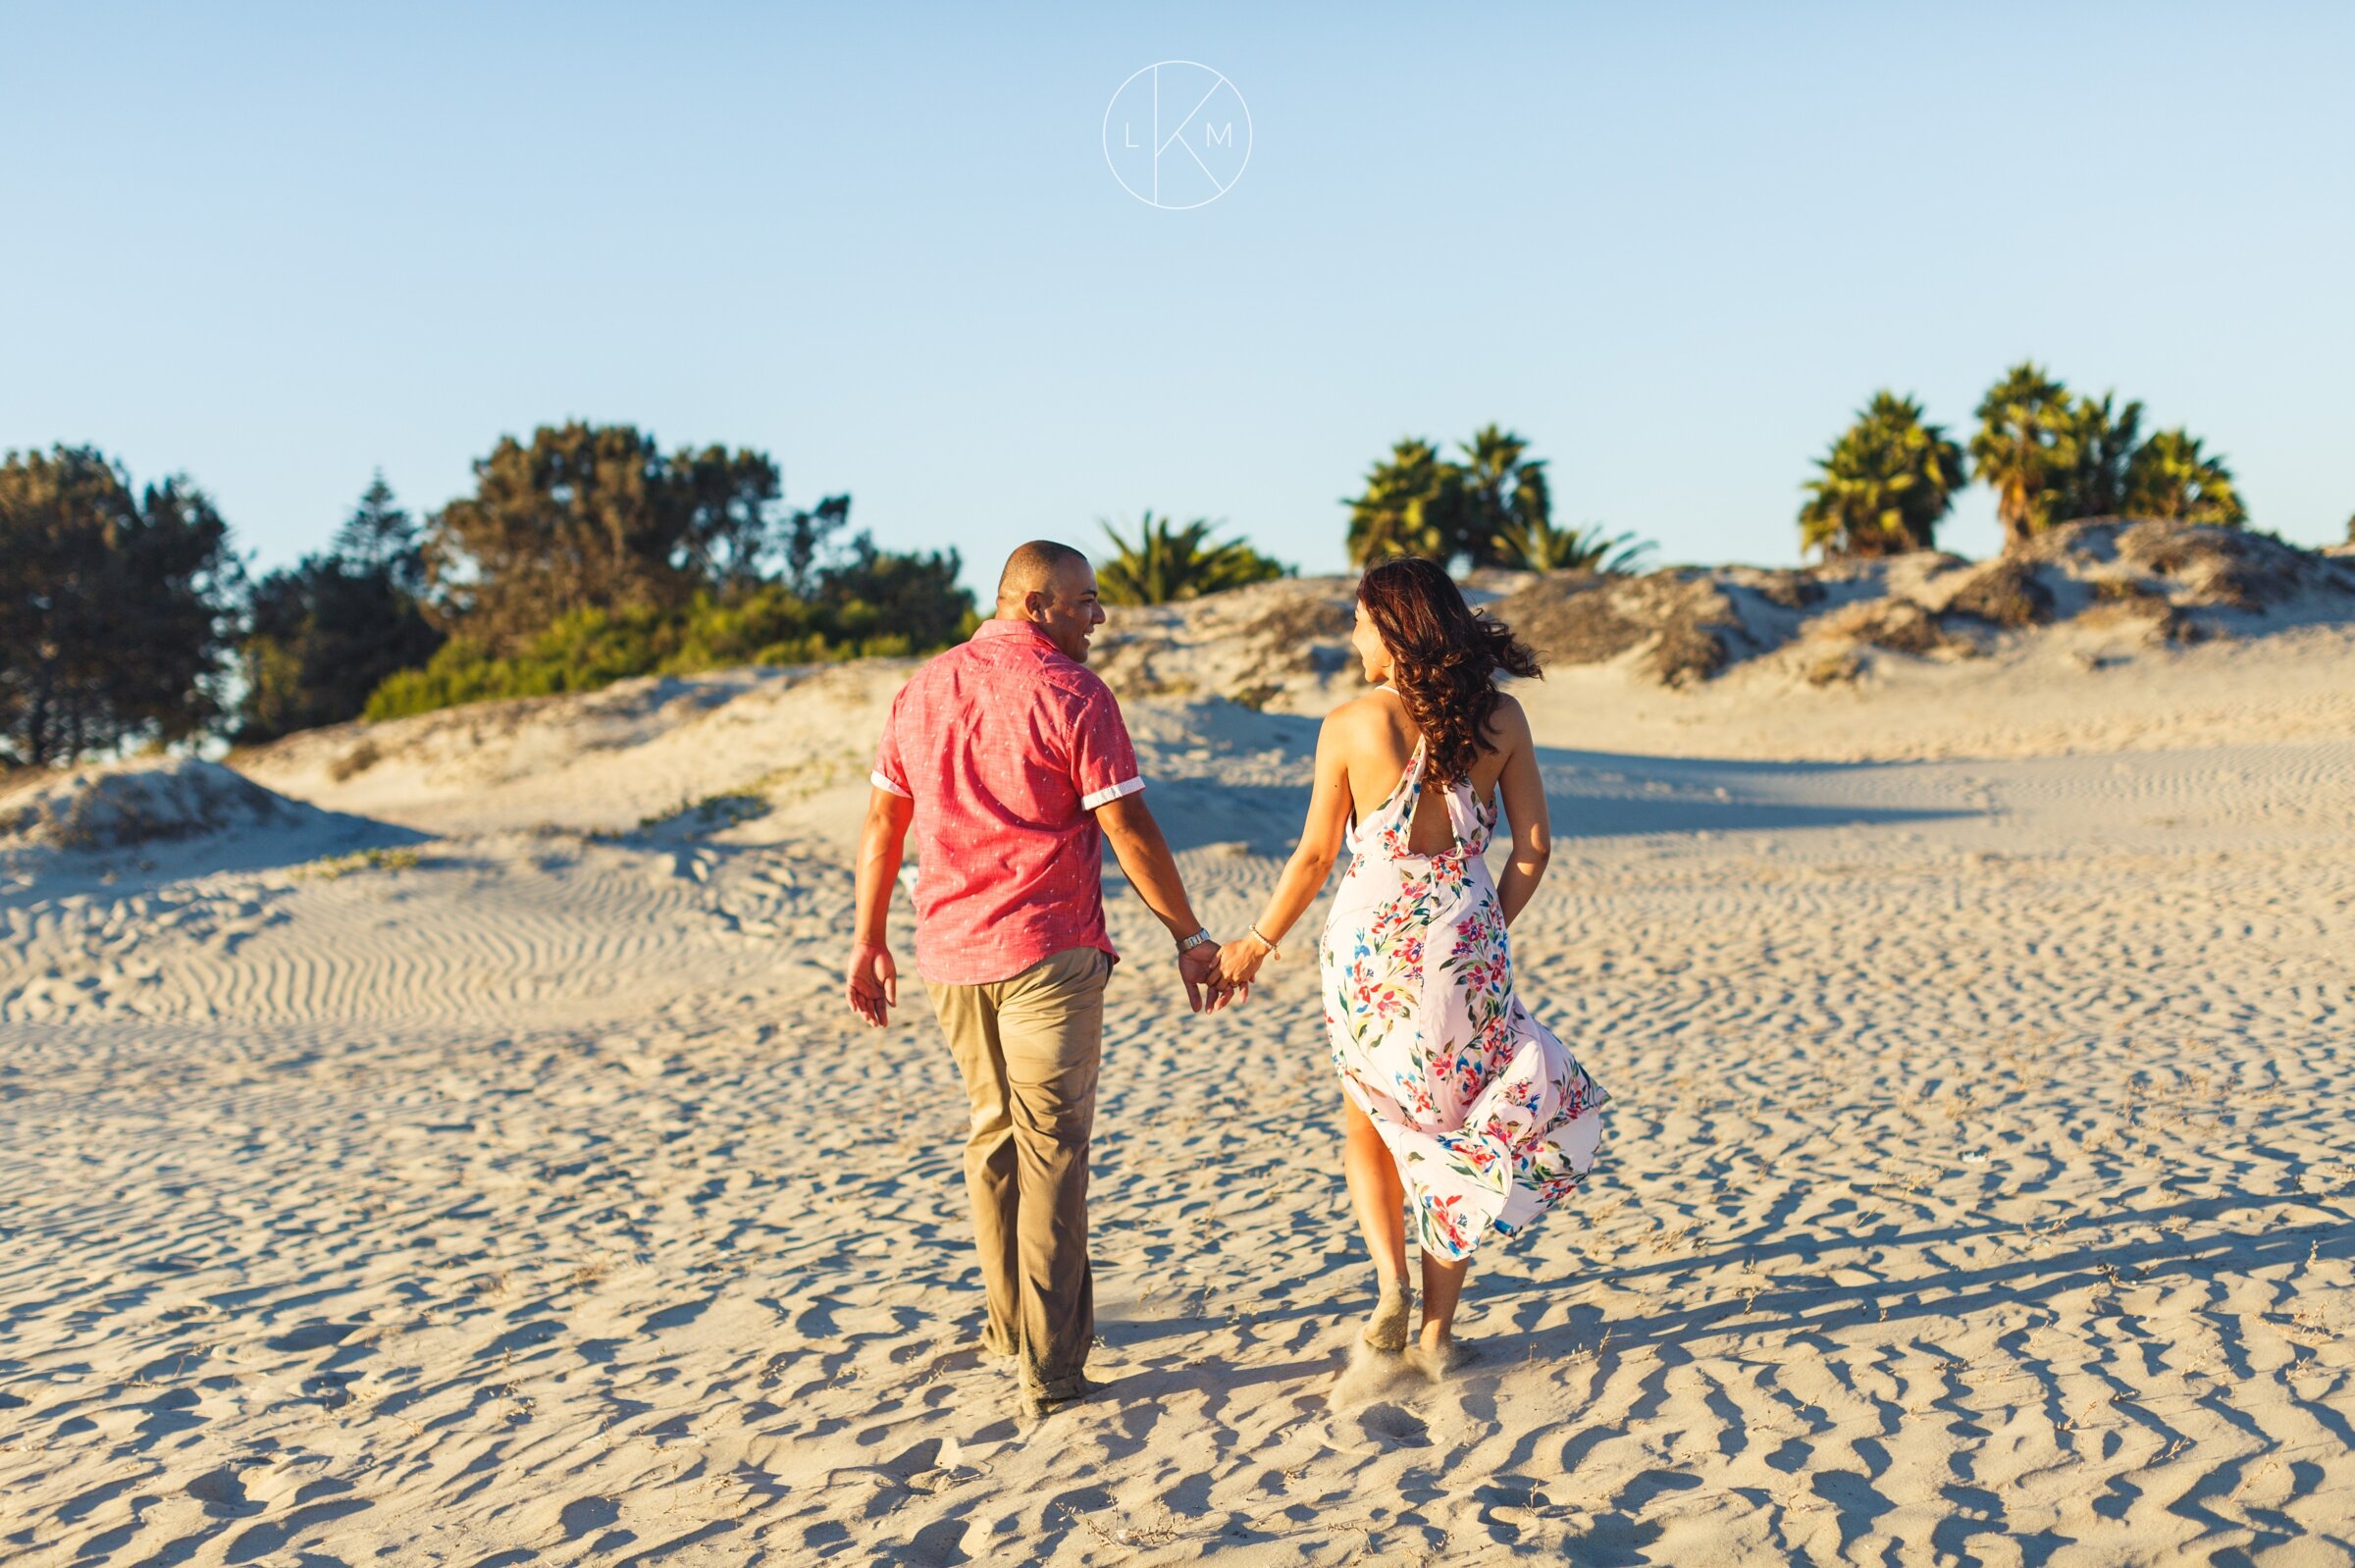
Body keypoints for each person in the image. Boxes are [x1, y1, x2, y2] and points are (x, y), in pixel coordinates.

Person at [845, 540, 1231, 1415]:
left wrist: (869, 939)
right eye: (1083, 601)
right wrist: (1189, 933)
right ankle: (1051, 1368)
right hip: (1047, 951)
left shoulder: (923, 688)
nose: (1098, 617)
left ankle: (1010, 1325)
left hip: (949, 955)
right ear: (1032, 605)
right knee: (1051, 1149)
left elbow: (881, 820)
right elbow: (1127, 826)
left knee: (993, 1135)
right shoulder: (1073, 692)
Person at [1217, 556, 1607, 1362]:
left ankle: (1388, 1280)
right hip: (1467, 942)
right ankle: (1435, 1334)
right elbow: (1534, 847)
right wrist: (1479, 928)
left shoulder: (1352, 724)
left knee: (1371, 1112)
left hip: (1369, 946)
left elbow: (1315, 856)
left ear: (1395, 631)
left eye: (1361, 621)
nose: (1354, 636)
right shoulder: (1502, 719)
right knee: (1458, 1125)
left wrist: (1255, 943)